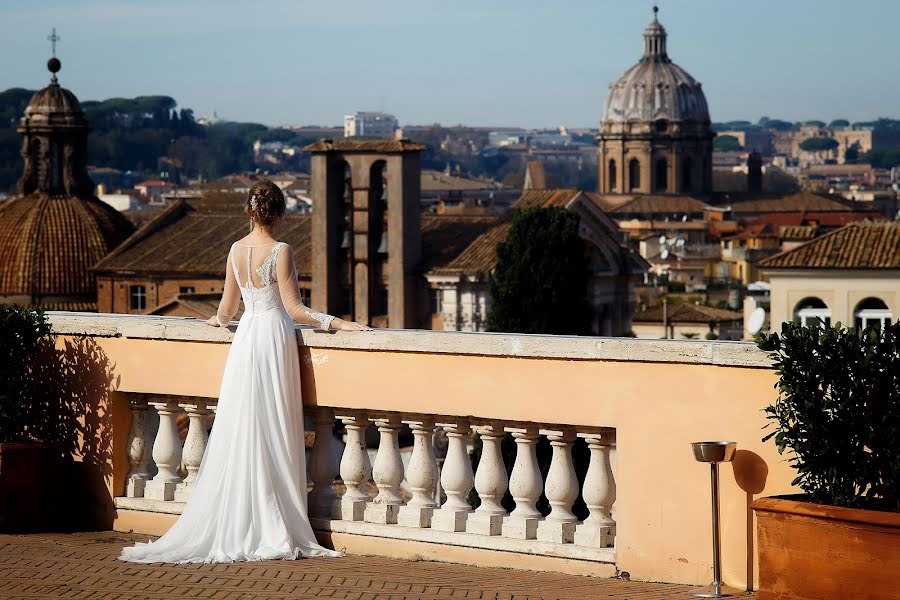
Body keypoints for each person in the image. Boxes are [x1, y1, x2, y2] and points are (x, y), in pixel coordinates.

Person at [120, 180, 370, 563]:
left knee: (243, 424)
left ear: (249, 211)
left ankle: (245, 517)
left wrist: (212, 324)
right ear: (281, 213)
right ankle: (273, 520)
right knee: (274, 425)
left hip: (246, 340)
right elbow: (295, 311)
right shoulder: (282, 250)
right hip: (273, 340)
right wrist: (339, 323)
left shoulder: (236, 250)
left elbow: (225, 311)